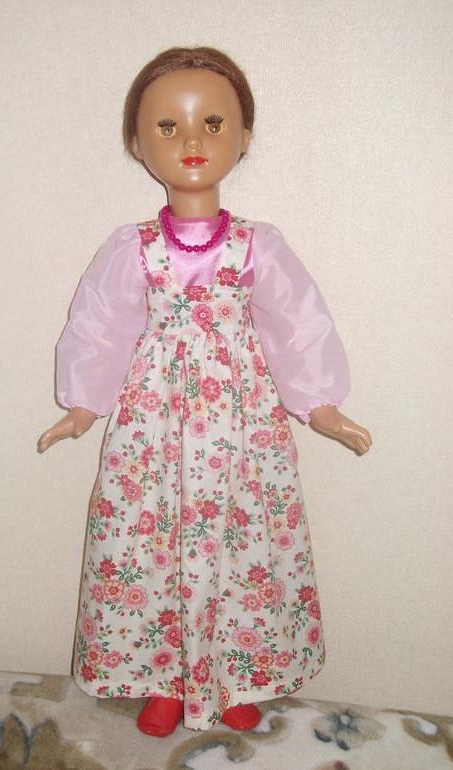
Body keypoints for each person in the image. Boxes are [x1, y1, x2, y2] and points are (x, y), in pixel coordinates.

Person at [37, 46, 372, 737]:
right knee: (148, 539)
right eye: (168, 126)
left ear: (244, 136)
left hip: (241, 427)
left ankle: (234, 673)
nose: (192, 140)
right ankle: (163, 678)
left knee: (242, 543)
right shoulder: (132, 248)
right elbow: (100, 325)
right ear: (138, 143)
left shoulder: (257, 245)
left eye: (213, 123)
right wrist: (82, 405)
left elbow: (297, 324)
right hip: (153, 428)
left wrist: (321, 404)